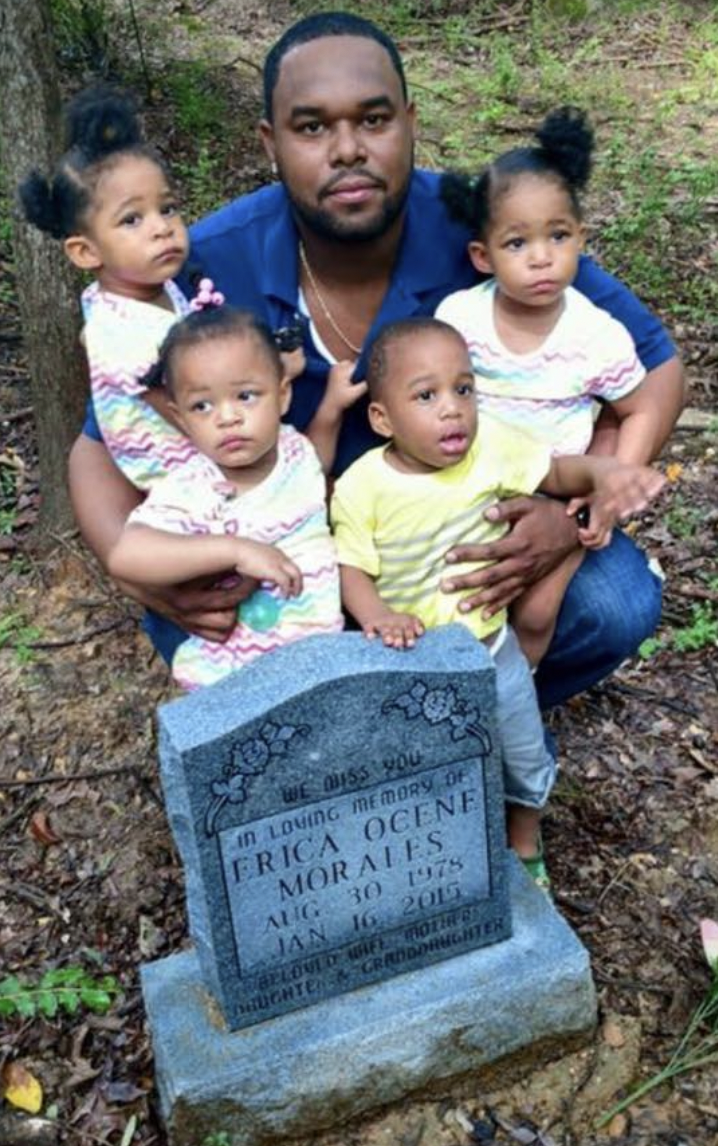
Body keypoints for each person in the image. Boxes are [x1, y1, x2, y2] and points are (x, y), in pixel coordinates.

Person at [67, 11, 685, 708]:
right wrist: (135, 569)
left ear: (411, 121)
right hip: (274, 552)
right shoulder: (205, 266)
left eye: (374, 119)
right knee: (201, 618)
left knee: (616, 600)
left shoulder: (486, 227)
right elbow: (97, 446)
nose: (347, 150)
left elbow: (654, 367)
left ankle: (468, 722)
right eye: (310, 127)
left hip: (449, 537)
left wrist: (571, 516)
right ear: (269, 141)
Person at [330, 318, 665, 879]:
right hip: (412, 659)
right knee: (425, 756)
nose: (452, 409)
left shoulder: (491, 449)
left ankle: (525, 841)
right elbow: (351, 568)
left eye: (464, 390)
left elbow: (556, 471)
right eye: (426, 395)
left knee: (522, 748)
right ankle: (433, 849)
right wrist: (378, 617)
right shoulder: (363, 486)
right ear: (382, 418)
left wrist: (603, 471)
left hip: (492, 646)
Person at [436, 107, 660, 665]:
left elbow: (636, 409)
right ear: (483, 257)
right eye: (517, 244)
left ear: (580, 238)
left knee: (536, 614)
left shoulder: (595, 335)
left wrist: (608, 491)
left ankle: (518, 704)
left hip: (554, 492)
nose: (541, 258)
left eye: (557, 236)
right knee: (454, 602)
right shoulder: (461, 319)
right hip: (468, 487)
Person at [107, 304, 343, 690]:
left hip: (317, 665)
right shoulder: (194, 487)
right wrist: (234, 551)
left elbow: (314, 468)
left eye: (246, 396)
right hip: (231, 678)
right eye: (202, 406)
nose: (227, 417)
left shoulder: (293, 450)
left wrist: (332, 406)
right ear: (180, 419)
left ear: (282, 396)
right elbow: (127, 556)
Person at [19, 84, 196, 490]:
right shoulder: (122, 335)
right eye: (132, 220)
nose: (162, 228)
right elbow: (190, 412)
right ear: (85, 252)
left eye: (167, 208)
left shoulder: (142, 291)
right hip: (185, 485)